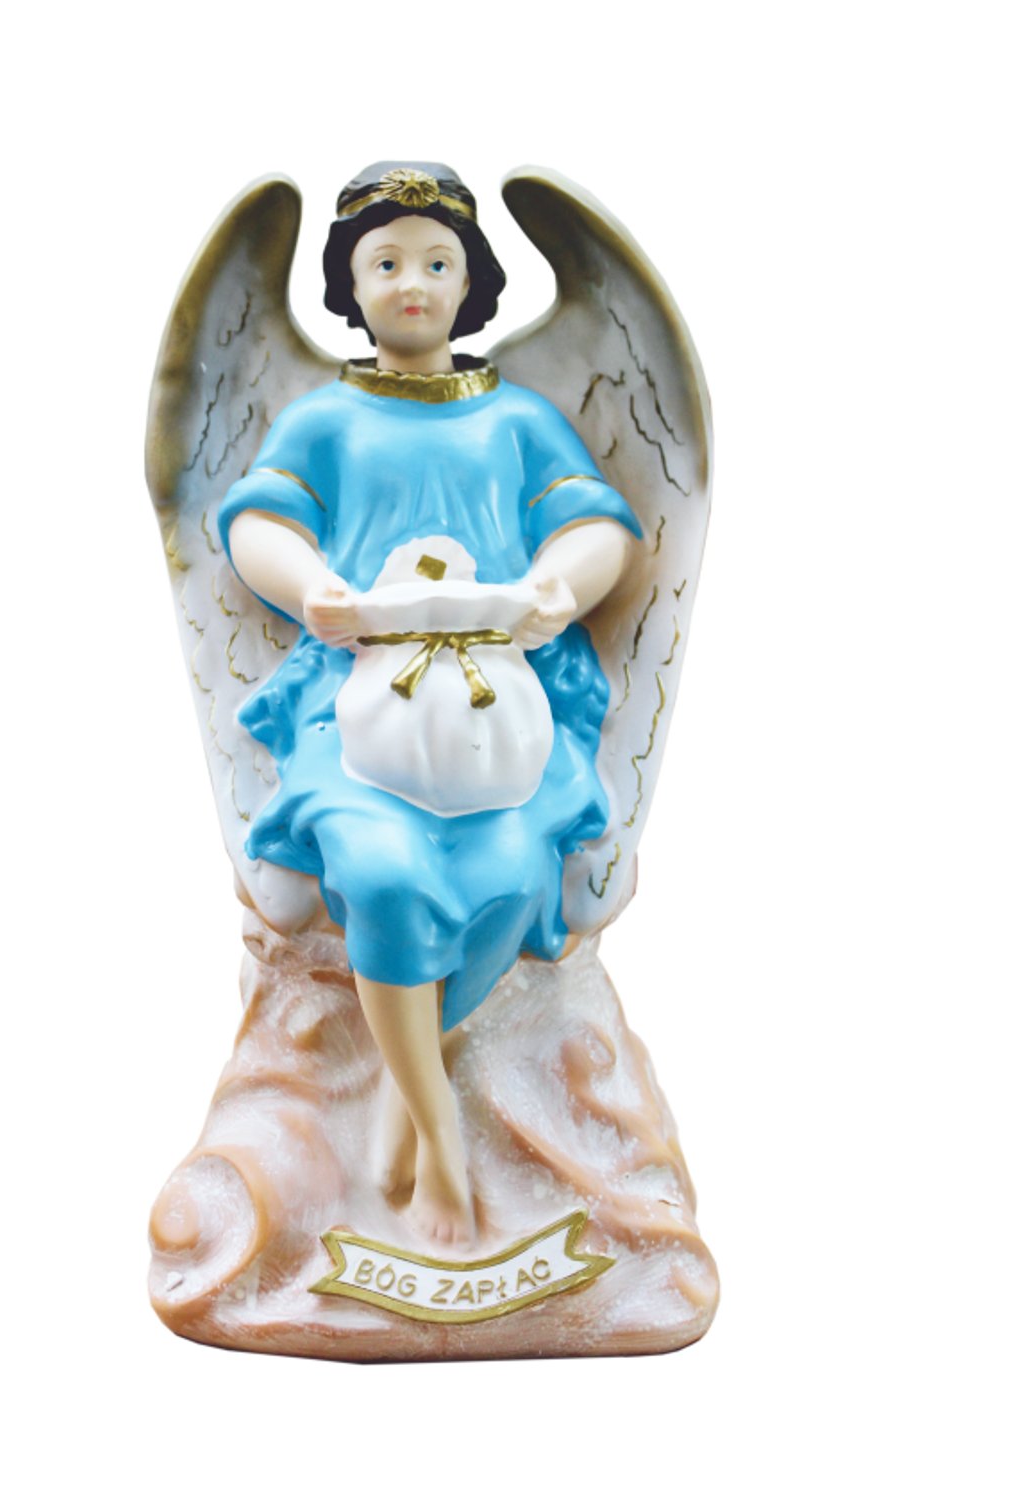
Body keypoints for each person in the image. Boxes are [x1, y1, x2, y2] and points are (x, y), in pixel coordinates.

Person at [218, 163, 641, 1245]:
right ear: (351, 285)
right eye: (387, 263)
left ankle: (404, 1091)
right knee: (384, 875)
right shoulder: (326, 420)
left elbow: (597, 525)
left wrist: (559, 586)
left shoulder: (517, 421)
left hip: (505, 707)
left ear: (470, 282)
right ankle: (440, 1138)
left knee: (511, 875)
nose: (413, 283)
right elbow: (258, 522)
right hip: (356, 705)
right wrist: (310, 586)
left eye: (437, 263)